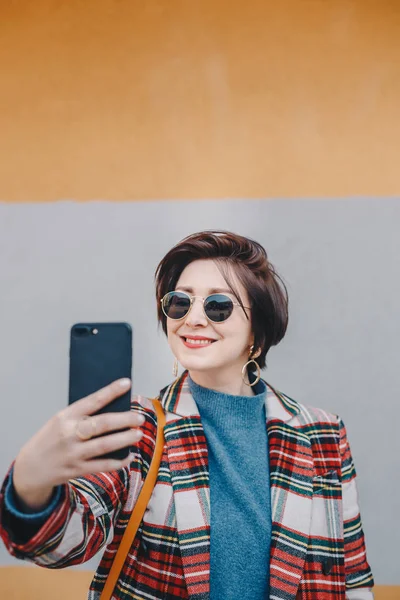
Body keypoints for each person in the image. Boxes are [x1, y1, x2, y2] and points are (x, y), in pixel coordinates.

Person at [0, 230, 374, 600]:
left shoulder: (324, 433)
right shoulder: (139, 426)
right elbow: (66, 543)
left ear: (255, 334)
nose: (192, 319)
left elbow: (353, 578)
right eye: (180, 302)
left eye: (218, 306)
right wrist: (31, 483)